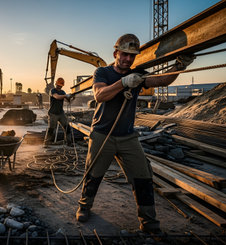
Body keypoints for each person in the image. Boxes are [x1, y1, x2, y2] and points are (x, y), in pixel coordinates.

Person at [75, 34, 195, 233]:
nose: (128, 59)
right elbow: (100, 95)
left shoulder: (139, 74)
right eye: (124, 54)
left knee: (143, 176)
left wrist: (179, 66)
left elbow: (162, 80)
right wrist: (123, 83)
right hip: (102, 134)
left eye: (132, 56)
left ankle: (149, 221)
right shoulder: (102, 72)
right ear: (116, 53)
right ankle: (84, 206)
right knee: (93, 174)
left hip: (128, 136)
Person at [44, 77, 74, 145]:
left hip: (61, 113)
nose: (59, 86)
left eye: (61, 85)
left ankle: (69, 142)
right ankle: (47, 142)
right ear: (56, 84)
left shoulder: (62, 92)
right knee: (51, 129)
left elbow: (67, 101)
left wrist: (71, 97)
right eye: (59, 85)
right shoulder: (52, 91)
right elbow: (57, 97)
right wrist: (65, 95)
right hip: (53, 113)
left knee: (67, 127)